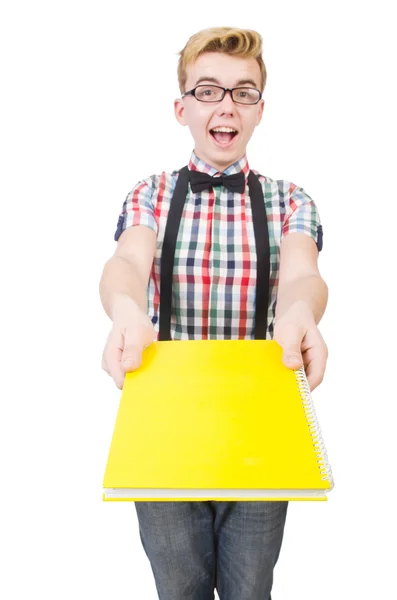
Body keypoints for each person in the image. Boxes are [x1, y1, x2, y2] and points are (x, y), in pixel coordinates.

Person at [99, 26, 328, 600]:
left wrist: (301, 315)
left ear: (259, 110)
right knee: (179, 590)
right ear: (182, 108)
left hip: (260, 425)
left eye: (242, 92)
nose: (226, 105)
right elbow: (126, 261)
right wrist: (124, 309)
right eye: (209, 90)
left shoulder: (290, 199)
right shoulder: (149, 193)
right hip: (163, 426)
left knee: (250, 589)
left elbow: (302, 274)